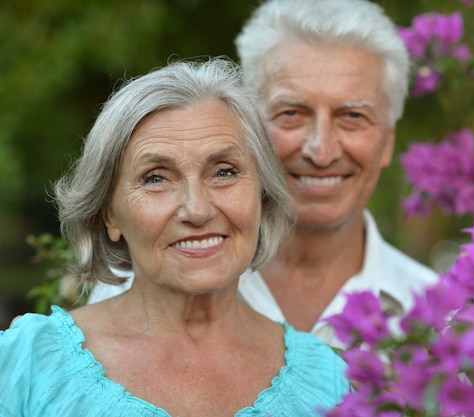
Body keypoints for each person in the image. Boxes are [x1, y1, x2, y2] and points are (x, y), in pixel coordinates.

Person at [0, 58, 350, 417]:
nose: (197, 210)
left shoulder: (329, 383)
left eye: (224, 172)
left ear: (261, 195)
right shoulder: (27, 367)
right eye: (156, 178)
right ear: (109, 214)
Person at [89, 0, 439, 350]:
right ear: (247, 126)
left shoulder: (441, 316)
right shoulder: (132, 290)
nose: (322, 151)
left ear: (388, 141)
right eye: (291, 113)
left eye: (352, 117)